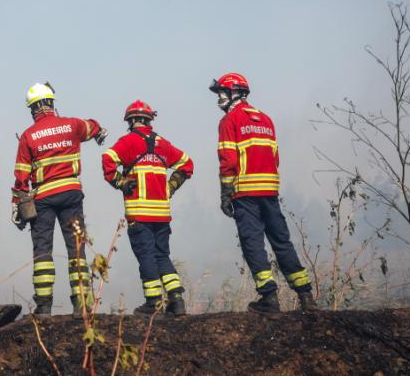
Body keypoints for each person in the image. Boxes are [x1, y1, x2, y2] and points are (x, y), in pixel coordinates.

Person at [210, 72, 316, 312]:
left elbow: (227, 159)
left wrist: (226, 193)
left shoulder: (229, 121)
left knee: (252, 243)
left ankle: (269, 297)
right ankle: (306, 295)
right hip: (269, 191)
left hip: (246, 193)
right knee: (282, 241)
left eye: (222, 93)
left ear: (235, 93)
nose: (218, 98)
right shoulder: (266, 119)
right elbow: (275, 157)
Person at [12, 82, 106, 316]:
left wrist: (17, 206)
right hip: (71, 194)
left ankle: (43, 307)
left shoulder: (28, 136)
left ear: (33, 108)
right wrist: (98, 131)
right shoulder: (72, 125)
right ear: (52, 103)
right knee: (76, 248)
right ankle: (82, 304)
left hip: (43, 198)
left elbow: (21, 176)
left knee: (43, 251)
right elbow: (93, 127)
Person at [102, 100, 194, 316]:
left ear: (131, 121)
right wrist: (171, 186)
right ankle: (177, 300)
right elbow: (187, 164)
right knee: (162, 255)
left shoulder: (128, 142)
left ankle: (153, 304)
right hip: (162, 214)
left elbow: (108, 158)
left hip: (139, 213)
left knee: (146, 256)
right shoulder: (163, 144)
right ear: (149, 120)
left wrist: (120, 182)